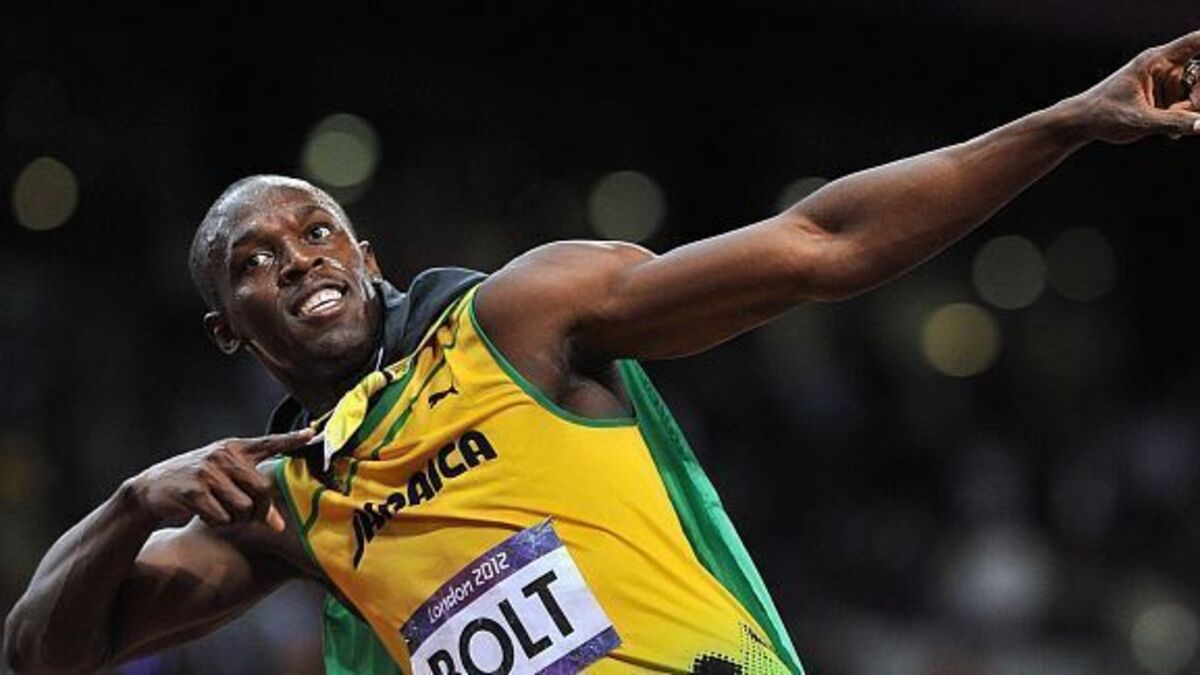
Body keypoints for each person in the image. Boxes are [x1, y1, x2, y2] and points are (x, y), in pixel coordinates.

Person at [6, 31, 1200, 675]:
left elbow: (819, 244)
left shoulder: (522, 317)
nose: (298, 259)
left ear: (366, 256)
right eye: (255, 260)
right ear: (229, 328)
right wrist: (129, 504)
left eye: (316, 231)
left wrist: (1067, 123)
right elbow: (41, 651)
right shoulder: (290, 499)